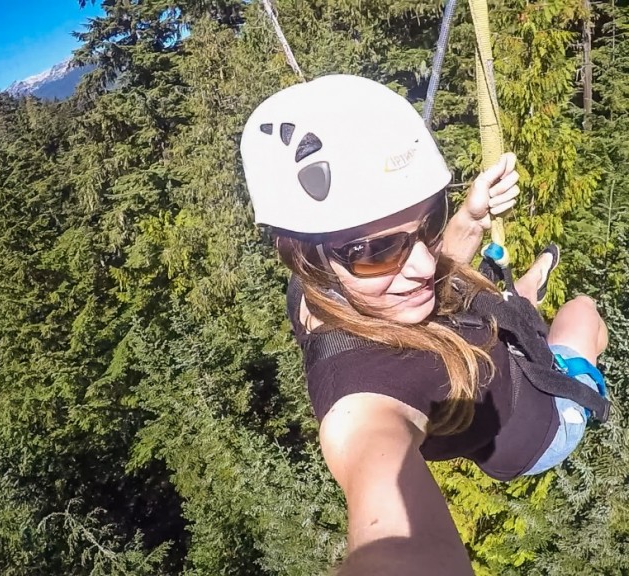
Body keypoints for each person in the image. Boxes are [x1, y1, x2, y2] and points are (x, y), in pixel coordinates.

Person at [240, 75, 609, 576]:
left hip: (489, 356)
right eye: (377, 251)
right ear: (310, 258)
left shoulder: (317, 291)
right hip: (541, 423)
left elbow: (422, 269)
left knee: (499, 299)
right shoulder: (360, 403)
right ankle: (537, 307)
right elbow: (395, 541)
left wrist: (469, 220)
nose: (423, 266)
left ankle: (523, 292)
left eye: (429, 224)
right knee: (583, 313)